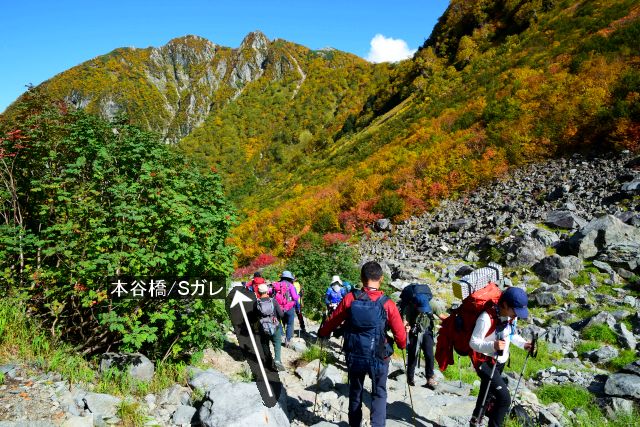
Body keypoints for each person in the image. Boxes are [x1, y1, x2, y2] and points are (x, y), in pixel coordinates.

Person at [319, 261, 406, 427]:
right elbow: (400, 335)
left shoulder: (350, 298)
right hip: (379, 357)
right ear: (381, 278)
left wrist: (323, 333)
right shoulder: (387, 303)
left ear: (361, 278)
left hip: (355, 355)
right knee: (379, 393)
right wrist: (402, 345)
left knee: (355, 392)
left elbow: (332, 321)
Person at [469, 287, 532, 427]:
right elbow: (473, 342)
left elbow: (511, 335)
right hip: (484, 362)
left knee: (487, 392)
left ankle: (475, 420)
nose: (517, 315)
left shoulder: (510, 317)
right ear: (504, 305)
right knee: (504, 400)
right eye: (515, 311)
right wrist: (493, 345)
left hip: (500, 362)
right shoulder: (486, 318)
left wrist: (524, 344)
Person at [398, 283, 446, 389]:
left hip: (427, 330)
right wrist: (406, 327)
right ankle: (410, 378)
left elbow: (442, 316)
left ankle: (430, 378)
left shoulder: (433, 304)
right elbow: (404, 321)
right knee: (412, 355)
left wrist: (453, 322)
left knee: (429, 355)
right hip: (414, 331)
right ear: (415, 304)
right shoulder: (409, 306)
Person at [255, 283, 285, 371]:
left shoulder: (256, 303)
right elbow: (281, 314)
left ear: (258, 292)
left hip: (263, 327)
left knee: (265, 344)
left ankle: (268, 363)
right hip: (274, 325)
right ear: (267, 291)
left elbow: (254, 317)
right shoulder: (273, 301)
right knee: (277, 342)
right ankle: (277, 360)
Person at [272, 270, 299, 346]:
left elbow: (271, 294)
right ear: (290, 278)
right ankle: (287, 340)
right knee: (290, 324)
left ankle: (281, 335)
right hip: (289, 307)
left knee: (278, 321)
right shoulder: (291, 286)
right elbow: (295, 297)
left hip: (278, 308)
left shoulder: (276, 284)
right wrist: (299, 295)